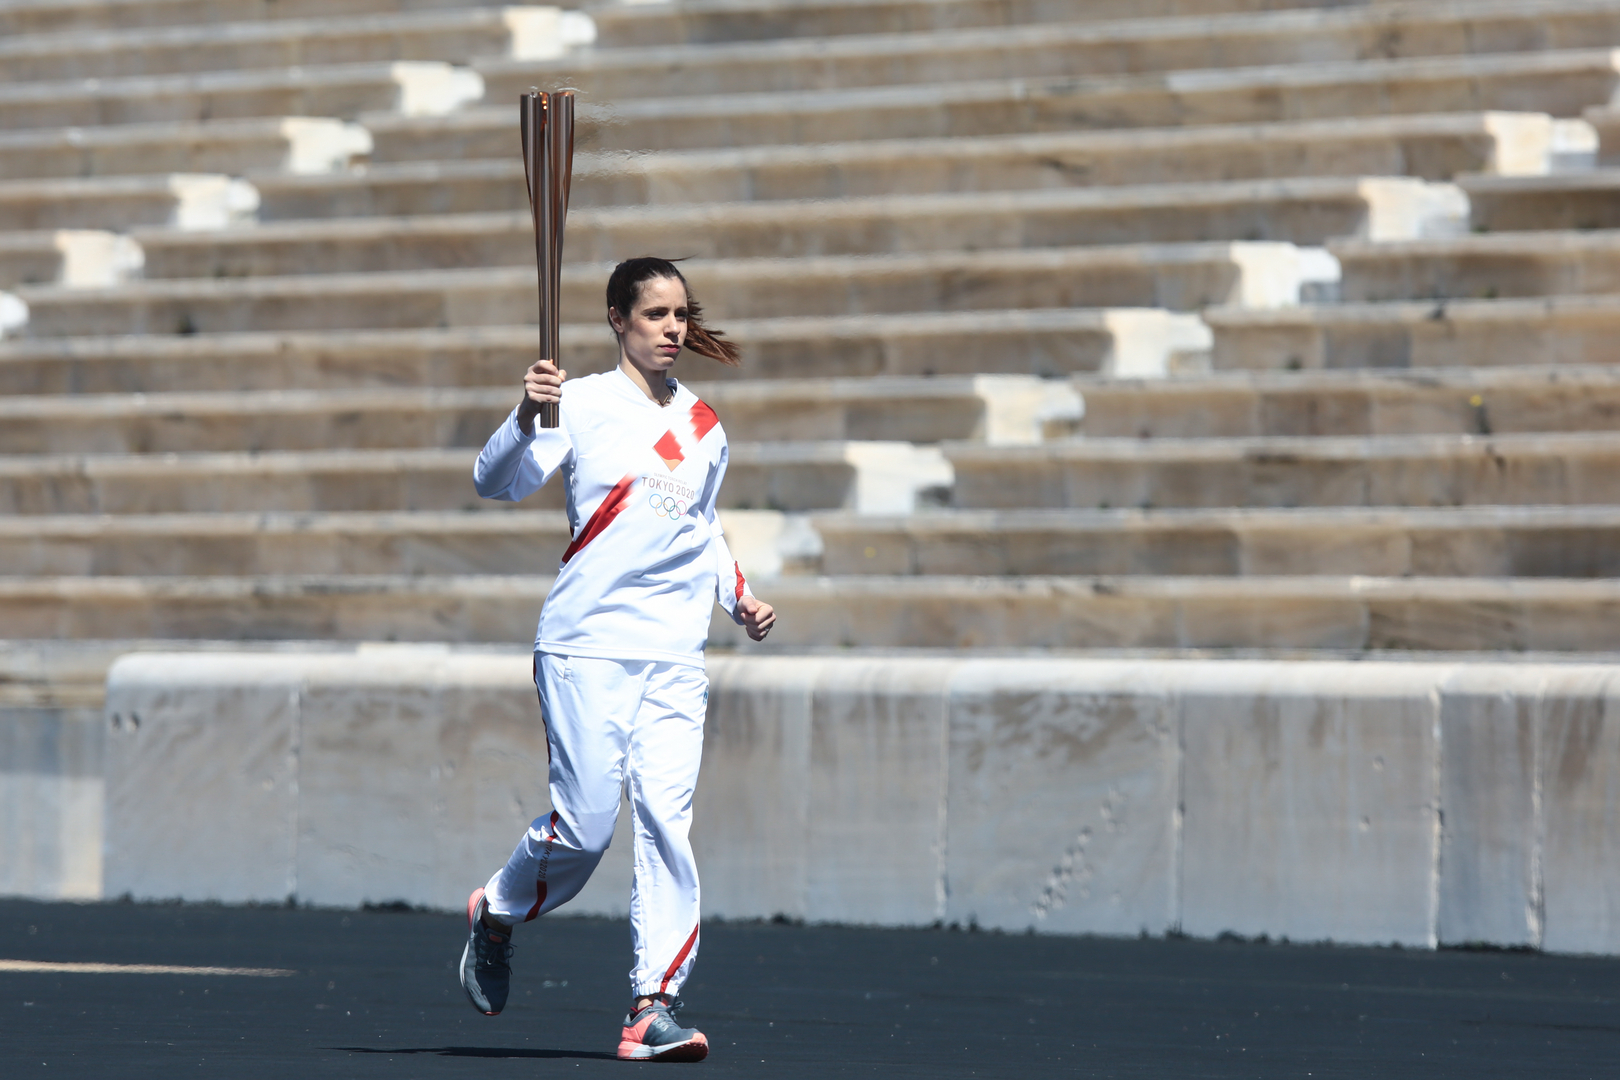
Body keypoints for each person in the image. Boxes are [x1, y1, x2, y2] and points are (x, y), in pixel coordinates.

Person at [457, 256, 775, 1063]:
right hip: (586, 644)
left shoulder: (706, 427)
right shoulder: (581, 402)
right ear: (617, 320)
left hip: (673, 654)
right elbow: (495, 483)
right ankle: (497, 911)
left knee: (669, 825)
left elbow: (703, 530)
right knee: (588, 826)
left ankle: (653, 1004)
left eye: (680, 315)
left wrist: (737, 595)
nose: (672, 329)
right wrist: (525, 416)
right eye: (656, 315)